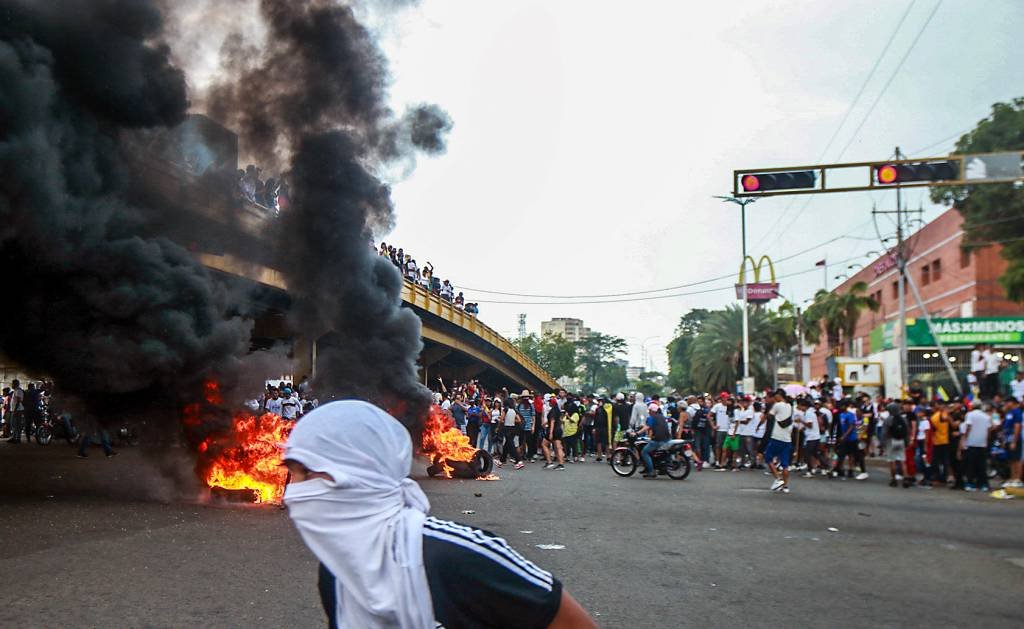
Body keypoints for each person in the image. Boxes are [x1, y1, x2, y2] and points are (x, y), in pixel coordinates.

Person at [282, 400, 595, 628]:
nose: (294, 491)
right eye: (293, 475)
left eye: (307, 474)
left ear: (359, 471)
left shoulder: (459, 555)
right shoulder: (334, 573)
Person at [959, 403, 996, 491]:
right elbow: (989, 429)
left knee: (970, 465)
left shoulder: (970, 415)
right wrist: (986, 440)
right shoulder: (986, 416)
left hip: (971, 442)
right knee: (982, 465)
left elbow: (968, 426)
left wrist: (965, 438)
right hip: (982, 443)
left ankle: (970, 483)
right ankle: (983, 484)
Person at [765, 390, 795, 493]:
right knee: (785, 464)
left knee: (768, 457)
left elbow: (769, 415)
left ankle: (778, 479)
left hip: (777, 437)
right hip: (787, 439)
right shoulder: (790, 406)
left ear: (779, 395)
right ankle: (785, 486)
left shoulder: (777, 405)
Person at [636, 403, 671, 479]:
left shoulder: (652, 417)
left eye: (649, 410)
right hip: (667, 439)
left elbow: (648, 427)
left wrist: (637, 433)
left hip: (658, 440)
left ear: (652, 411)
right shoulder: (661, 416)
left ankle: (651, 471)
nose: (648, 412)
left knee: (644, 452)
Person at [884, 400, 913, 488]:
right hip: (901, 440)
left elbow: (885, 432)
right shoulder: (903, 419)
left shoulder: (888, 419)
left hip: (891, 441)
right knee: (902, 461)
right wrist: (907, 441)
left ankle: (893, 479)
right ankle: (906, 478)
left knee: (892, 461)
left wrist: (883, 443)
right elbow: (907, 431)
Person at [1000, 397, 1022, 488]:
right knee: (1011, 459)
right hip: (1008, 438)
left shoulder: (1017, 412)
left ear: (1012, 403)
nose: (1006, 405)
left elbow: (1017, 426)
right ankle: (1012, 477)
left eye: (1007, 403)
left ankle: (1017, 478)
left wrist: (1014, 441)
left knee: (1016, 459)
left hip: (1014, 438)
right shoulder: (1009, 413)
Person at [542, 398, 565, 471]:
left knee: (544, 444)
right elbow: (558, 420)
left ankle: (549, 461)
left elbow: (552, 422)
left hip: (553, 430)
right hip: (558, 430)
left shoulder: (552, 411)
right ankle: (561, 464)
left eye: (550, 402)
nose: (549, 403)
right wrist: (545, 423)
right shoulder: (557, 411)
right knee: (558, 447)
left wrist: (551, 433)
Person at [5, 379, 24, 444]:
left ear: (15, 384)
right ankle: (14, 438)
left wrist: (15, 410)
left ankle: (17, 439)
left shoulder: (18, 391)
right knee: (14, 425)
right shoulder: (16, 390)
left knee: (16, 425)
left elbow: (19, 401)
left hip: (17, 410)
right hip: (16, 410)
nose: (11, 385)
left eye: (12, 384)